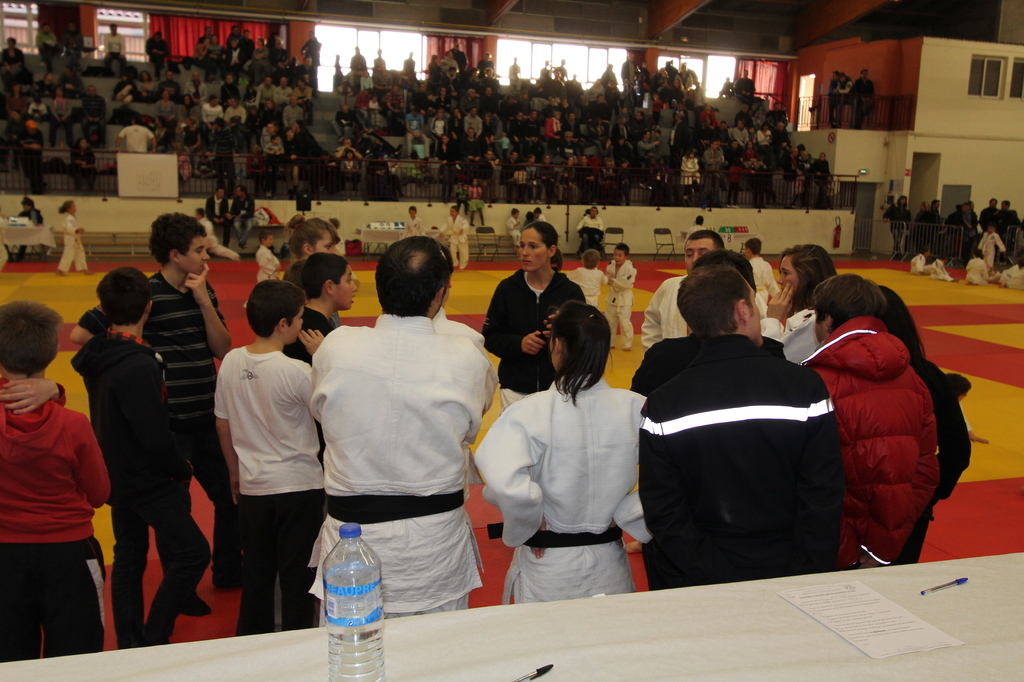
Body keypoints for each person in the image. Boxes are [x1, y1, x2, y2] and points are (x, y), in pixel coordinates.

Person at [309, 237, 493, 618]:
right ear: (440, 294)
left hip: (353, 544)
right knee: (438, 647)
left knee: (354, 648)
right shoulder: (466, 355)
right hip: (434, 545)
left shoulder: (335, 348)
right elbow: (470, 428)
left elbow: (324, 416)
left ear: (379, 287)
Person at [638, 265, 845, 589]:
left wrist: (714, 573)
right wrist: (806, 567)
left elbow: (663, 510)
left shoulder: (663, 404)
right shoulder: (805, 387)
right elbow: (824, 493)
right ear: (743, 310)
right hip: (791, 566)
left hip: (700, 576)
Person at [69, 214, 241, 592]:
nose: (206, 257)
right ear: (175, 255)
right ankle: (181, 590)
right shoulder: (145, 294)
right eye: (199, 251)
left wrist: (203, 301)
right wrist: (131, 359)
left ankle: (228, 571)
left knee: (230, 496)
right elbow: (80, 334)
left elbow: (222, 348)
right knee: (176, 511)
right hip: (170, 424)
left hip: (208, 416)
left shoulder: (203, 289)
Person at [475, 301, 648, 604]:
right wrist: (627, 514)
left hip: (549, 566)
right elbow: (676, 475)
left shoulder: (529, 412)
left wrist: (529, 520)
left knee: (548, 636)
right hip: (609, 562)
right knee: (608, 633)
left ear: (556, 345)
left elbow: (503, 484)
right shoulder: (636, 407)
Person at [71, 268, 208, 649]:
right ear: (149, 307)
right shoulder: (138, 364)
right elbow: (153, 434)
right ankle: (153, 633)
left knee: (129, 557)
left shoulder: (100, 354)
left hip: (115, 471)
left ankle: (131, 640)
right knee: (194, 552)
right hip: (147, 478)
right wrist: (181, 469)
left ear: (103, 309)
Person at [801, 274, 938, 569]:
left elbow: (812, 479)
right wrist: (882, 548)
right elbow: (926, 470)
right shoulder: (912, 378)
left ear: (827, 319)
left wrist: (847, 551)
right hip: (882, 546)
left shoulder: (817, 383)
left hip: (835, 549)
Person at [0, 301, 110, 661]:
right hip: (69, 553)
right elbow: (99, 493)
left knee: (9, 661)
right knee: (76, 659)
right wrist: (56, 393)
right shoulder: (73, 424)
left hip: (5, 552)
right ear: (51, 353)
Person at [215, 280, 323, 635]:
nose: (302, 324)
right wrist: (323, 359)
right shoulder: (296, 371)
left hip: (253, 486)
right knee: (298, 577)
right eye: (299, 318)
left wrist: (234, 473)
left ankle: (252, 644)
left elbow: (222, 423)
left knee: (257, 575)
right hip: (298, 488)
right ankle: (296, 645)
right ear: (283, 324)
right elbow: (332, 410)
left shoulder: (231, 361)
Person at [876, 286, 971, 565]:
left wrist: (929, 493)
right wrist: (925, 494)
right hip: (910, 504)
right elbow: (957, 449)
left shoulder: (834, 376)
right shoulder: (929, 376)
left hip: (853, 504)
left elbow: (957, 449)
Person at [631, 250, 785, 397]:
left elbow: (638, 407)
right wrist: (767, 334)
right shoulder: (769, 363)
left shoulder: (663, 357)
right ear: (743, 308)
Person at [483, 222, 586, 407]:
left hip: (560, 390)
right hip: (515, 389)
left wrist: (563, 333)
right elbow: (490, 337)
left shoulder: (570, 292)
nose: (524, 252)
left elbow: (586, 342)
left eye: (533, 246)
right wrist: (519, 343)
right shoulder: (507, 290)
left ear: (551, 250)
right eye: (522, 246)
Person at [641, 229, 724, 350]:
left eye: (703, 254)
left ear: (720, 257)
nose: (694, 260)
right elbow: (652, 325)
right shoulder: (669, 287)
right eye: (689, 254)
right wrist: (655, 356)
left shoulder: (736, 291)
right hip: (673, 360)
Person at [762, 244, 837, 363]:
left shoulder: (812, 322)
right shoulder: (816, 314)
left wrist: (772, 320)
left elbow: (769, 362)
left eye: (786, 273)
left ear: (806, 277)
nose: (779, 280)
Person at [282, 253, 355, 366]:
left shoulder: (292, 323)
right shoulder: (323, 337)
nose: (354, 287)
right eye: (348, 280)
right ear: (329, 287)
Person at [605, 243, 635, 351]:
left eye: (619, 255)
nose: (616, 257)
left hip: (625, 298)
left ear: (626, 257)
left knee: (624, 322)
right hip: (612, 296)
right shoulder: (611, 264)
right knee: (609, 321)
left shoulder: (631, 268)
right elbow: (606, 277)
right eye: (615, 254)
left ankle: (627, 344)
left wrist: (610, 280)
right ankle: (610, 343)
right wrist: (607, 279)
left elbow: (624, 282)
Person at [947, 373, 988, 444]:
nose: (965, 396)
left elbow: (961, 416)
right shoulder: (930, 400)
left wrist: (970, 433)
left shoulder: (954, 401)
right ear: (955, 393)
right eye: (964, 394)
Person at [56, 200, 89, 277]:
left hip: (75, 238)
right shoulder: (68, 218)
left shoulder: (72, 217)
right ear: (68, 209)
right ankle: (59, 271)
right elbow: (69, 228)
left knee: (80, 253)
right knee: (68, 254)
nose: (75, 208)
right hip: (70, 239)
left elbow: (68, 229)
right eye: (73, 206)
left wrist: (78, 231)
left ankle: (85, 269)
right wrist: (77, 230)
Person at [443, 204, 470, 270]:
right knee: (452, 250)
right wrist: (441, 231)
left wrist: (462, 229)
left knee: (463, 251)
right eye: (450, 211)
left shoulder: (461, 219)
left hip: (461, 236)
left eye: (453, 211)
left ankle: (463, 265)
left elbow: (466, 225)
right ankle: (455, 261)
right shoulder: (449, 219)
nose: (451, 213)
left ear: (457, 212)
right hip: (454, 236)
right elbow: (446, 226)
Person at [230, 185, 255, 250]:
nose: (236, 193)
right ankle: (242, 243)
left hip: (248, 217)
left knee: (249, 226)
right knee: (236, 225)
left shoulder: (250, 199)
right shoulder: (236, 199)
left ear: (243, 192)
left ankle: (241, 242)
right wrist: (230, 214)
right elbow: (233, 209)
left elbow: (251, 211)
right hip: (238, 217)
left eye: (238, 191)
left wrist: (243, 215)